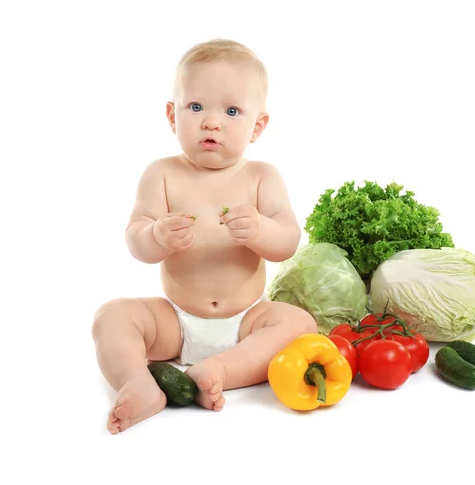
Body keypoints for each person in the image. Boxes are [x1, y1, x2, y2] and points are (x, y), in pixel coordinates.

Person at [92, 39, 317, 434]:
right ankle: (138, 383)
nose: (211, 122)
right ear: (172, 115)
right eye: (195, 107)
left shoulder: (262, 177)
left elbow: (287, 242)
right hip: (175, 322)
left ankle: (218, 370)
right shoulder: (161, 174)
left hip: (247, 320)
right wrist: (157, 235)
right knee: (111, 316)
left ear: (257, 127)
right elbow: (136, 240)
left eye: (232, 111)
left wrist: (262, 230)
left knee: (299, 324)